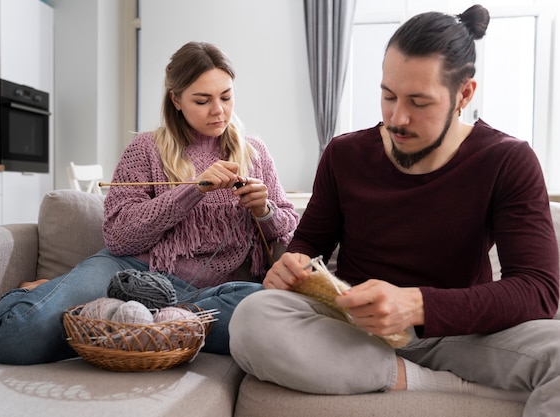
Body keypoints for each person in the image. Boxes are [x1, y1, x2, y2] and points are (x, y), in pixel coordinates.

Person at [228, 5, 560, 416]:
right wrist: (291, 265)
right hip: (351, 327)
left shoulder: (507, 160)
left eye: (419, 102)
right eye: (388, 96)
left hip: (458, 333)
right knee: (251, 318)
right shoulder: (344, 154)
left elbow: (538, 290)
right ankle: (432, 385)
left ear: (464, 94)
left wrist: (417, 306)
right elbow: (310, 242)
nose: (397, 118)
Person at [0, 41, 299, 365]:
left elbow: (288, 231)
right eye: (202, 100)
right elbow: (120, 237)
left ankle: (125, 317)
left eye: (226, 96)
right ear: (176, 99)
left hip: (207, 296)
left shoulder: (254, 151)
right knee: (16, 338)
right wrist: (193, 189)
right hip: (131, 272)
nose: (218, 110)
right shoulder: (145, 148)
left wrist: (264, 211)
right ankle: (56, 301)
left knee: (273, 317)